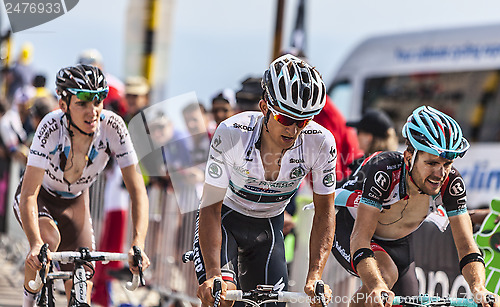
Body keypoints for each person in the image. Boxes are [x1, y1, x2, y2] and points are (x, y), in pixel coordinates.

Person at [193, 54, 337, 307]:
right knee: (222, 297)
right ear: (264, 108)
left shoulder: (321, 142)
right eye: (285, 119)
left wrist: (315, 276)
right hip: (225, 221)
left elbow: (325, 211)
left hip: (268, 228)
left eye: (303, 121)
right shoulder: (232, 133)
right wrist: (214, 274)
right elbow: (210, 206)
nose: (293, 130)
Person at [331, 106, 498, 307]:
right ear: (409, 157)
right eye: (432, 163)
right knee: (384, 277)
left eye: (446, 164)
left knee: (407, 302)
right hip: (351, 229)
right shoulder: (383, 171)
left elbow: (466, 246)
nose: (440, 173)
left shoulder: (451, 183)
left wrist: (479, 288)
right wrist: (376, 286)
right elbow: (360, 239)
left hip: (399, 241)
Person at [13, 64, 150, 307]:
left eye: (98, 100)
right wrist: (35, 244)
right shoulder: (50, 126)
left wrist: (138, 244)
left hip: (76, 202)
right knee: (47, 241)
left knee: (82, 281)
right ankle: (28, 300)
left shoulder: (113, 127)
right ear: (63, 105)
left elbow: (138, 191)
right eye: (83, 102)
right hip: (39, 197)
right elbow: (29, 195)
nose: (94, 110)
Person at [344, 108, 398, 177]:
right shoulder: (395, 166)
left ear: (368, 137)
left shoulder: (369, 168)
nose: (357, 136)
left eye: (358, 132)